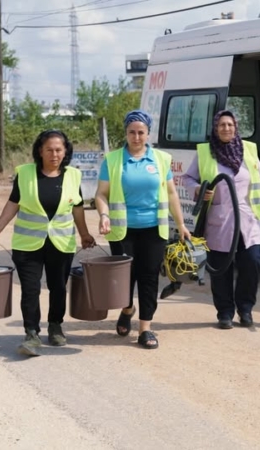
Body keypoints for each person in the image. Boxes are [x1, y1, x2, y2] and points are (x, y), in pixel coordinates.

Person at [0, 130, 96, 357]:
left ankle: (55, 326)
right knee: (31, 289)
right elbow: (13, 204)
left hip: (61, 243)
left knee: (58, 287)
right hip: (28, 243)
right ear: (40, 151)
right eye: (49, 150)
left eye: (59, 150)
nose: (54, 154)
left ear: (65, 152)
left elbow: (77, 208)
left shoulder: (73, 175)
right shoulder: (25, 174)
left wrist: (84, 234)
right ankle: (31, 333)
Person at [182, 110, 260, 329]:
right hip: (219, 222)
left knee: (251, 264)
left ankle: (245, 309)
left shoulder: (248, 150)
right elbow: (187, 178)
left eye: (230, 125)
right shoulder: (206, 152)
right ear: (216, 128)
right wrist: (198, 190)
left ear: (236, 127)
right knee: (221, 269)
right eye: (222, 125)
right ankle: (224, 312)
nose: (226, 129)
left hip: (248, 222)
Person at [94, 110, 191, 350]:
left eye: (141, 132)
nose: (136, 137)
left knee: (148, 278)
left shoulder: (161, 159)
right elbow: (101, 194)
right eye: (132, 132)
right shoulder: (113, 160)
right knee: (124, 279)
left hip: (153, 229)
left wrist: (180, 224)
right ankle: (127, 308)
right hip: (122, 230)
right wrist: (104, 215)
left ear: (148, 134)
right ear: (125, 133)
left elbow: (170, 193)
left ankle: (145, 328)